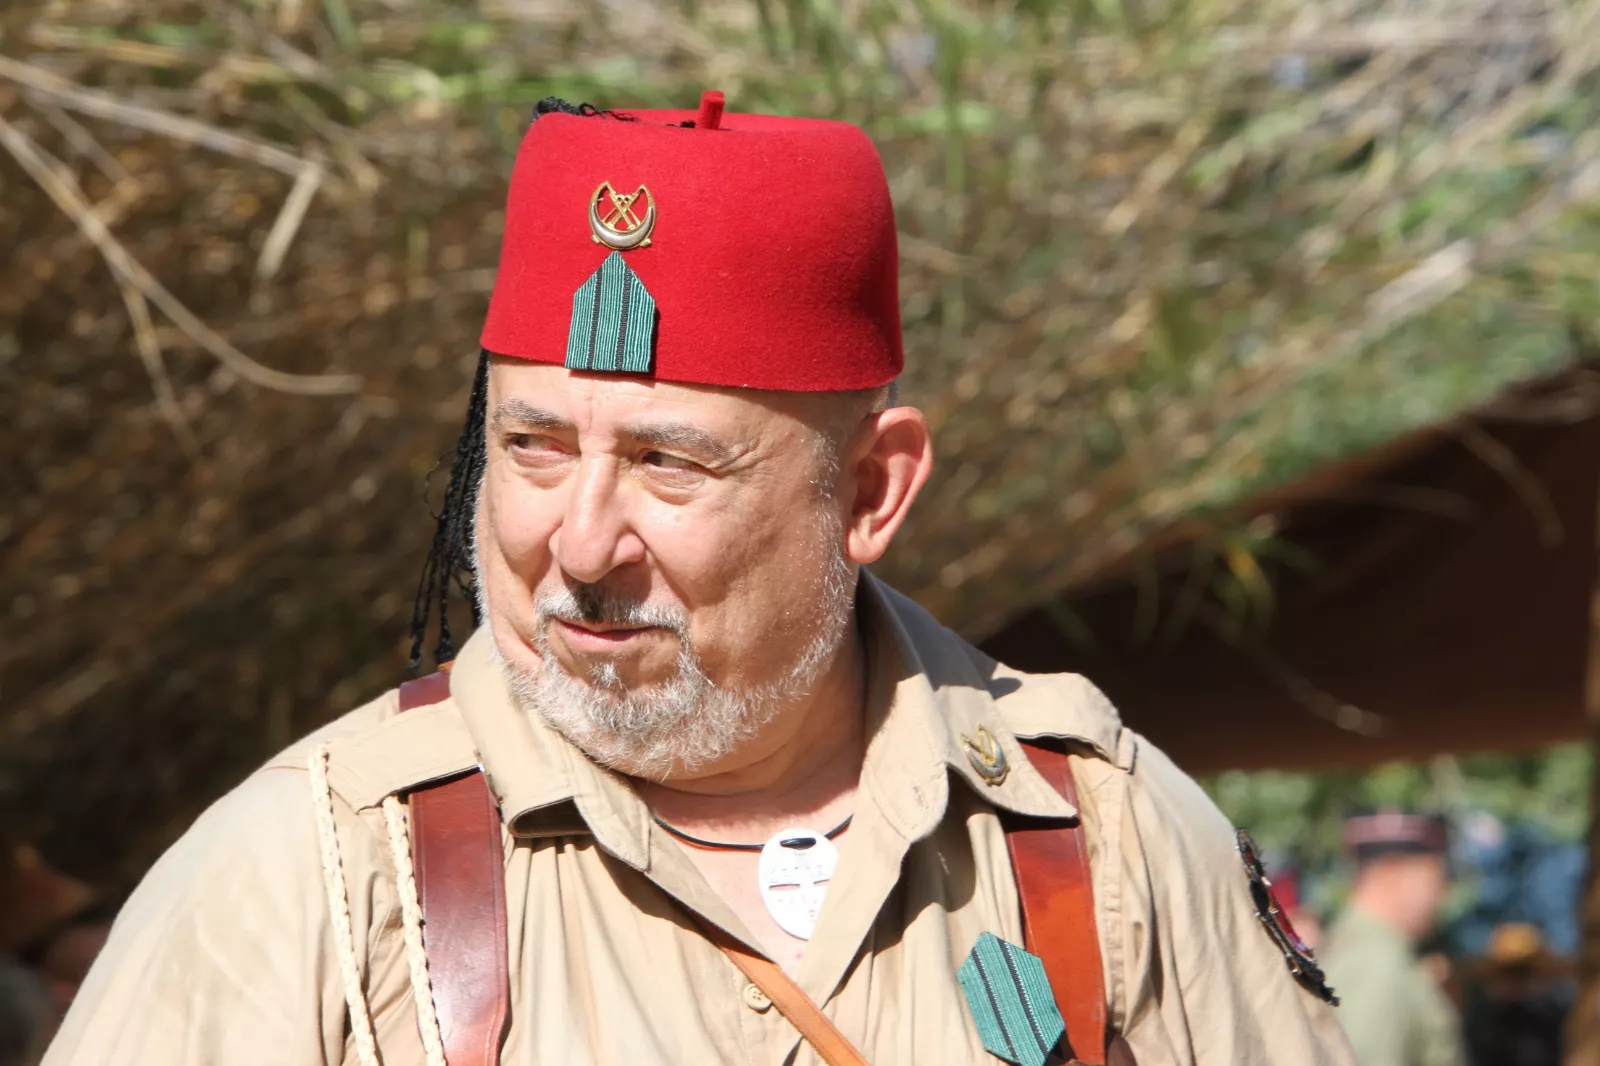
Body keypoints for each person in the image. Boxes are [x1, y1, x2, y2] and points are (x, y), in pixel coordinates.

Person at [42, 93, 1353, 1065]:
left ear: (872, 492)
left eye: (670, 464)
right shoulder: (308, 876)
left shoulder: (1100, 843)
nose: (580, 541)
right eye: (533, 448)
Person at [1321, 811, 1466, 1066]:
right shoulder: (1376, 967)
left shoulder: (1365, 952)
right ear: (1390, 872)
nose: (1443, 893)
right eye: (1436, 876)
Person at [1464, 922, 1569, 1066]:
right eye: (1507, 972)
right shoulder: (1480, 1023)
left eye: (1522, 972)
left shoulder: (1555, 1019)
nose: (1515, 981)